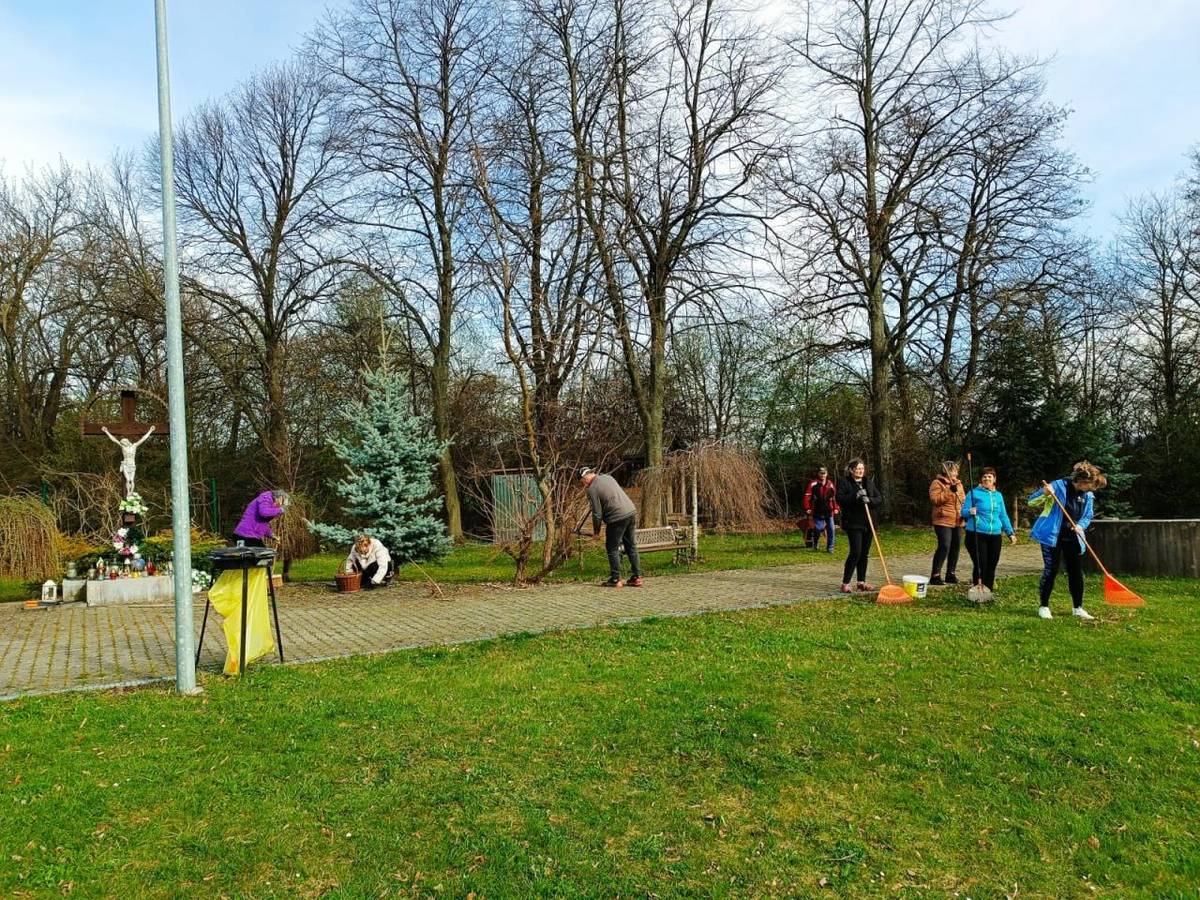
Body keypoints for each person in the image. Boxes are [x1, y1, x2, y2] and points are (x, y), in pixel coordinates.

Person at [1028, 461, 1106, 620]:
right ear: (1081, 481)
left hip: (1074, 537)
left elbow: (1087, 516)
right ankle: (1044, 606)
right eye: (1089, 486)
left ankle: (1078, 608)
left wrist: (1080, 525)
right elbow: (1031, 501)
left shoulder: (1088, 495)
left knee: (1076, 572)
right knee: (1052, 570)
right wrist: (1045, 492)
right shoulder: (1058, 486)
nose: (1091, 489)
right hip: (1052, 536)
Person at [578, 467, 643, 587]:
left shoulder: (592, 489)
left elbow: (597, 513)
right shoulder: (608, 477)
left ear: (585, 477)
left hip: (616, 518)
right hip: (630, 512)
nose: (583, 484)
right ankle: (637, 577)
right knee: (631, 546)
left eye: (582, 481)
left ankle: (615, 579)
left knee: (612, 548)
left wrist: (596, 532)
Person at [961, 467, 1016, 590]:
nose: (987, 478)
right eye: (984, 476)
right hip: (977, 534)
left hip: (995, 535)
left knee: (992, 565)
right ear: (981, 479)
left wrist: (1010, 532)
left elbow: (1003, 515)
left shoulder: (998, 496)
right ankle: (978, 591)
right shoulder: (973, 493)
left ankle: (988, 591)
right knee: (981, 564)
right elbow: (963, 512)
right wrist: (969, 511)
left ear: (994, 479)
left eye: (989, 476)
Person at [835, 458, 883, 593]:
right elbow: (840, 499)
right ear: (851, 470)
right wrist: (855, 495)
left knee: (864, 554)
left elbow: (879, 499)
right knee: (856, 552)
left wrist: (870, 500)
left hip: (869, 523)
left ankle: (861, 582)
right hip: (853, 523)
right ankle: (845, 583)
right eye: (857, 469)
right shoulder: (844, 482)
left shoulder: (868, 482)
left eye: (862, 469)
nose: (860, 471)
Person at [928, 461, 965, 586]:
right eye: (953, 471)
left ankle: (951, 574)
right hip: (943, 519)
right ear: (947, 472)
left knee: (956, 547)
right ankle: (935, 575)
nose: (955, 473)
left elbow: (963, 500)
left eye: (956, 471)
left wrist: (965, 512)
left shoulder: (959, 484)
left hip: (958, 520)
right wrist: (949, 490)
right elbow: (935, 500)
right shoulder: (937, 483)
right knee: (944, 546)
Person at [803, 466, 839, 553]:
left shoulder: (830, 484)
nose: (823, 475)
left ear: (827, 474)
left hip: (829, 510)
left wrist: (836, 507)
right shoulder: (813, 484)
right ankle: (815, 542)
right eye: (821, 473)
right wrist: (807, 508)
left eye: (824, 473)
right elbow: (807, 497)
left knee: (831, 528)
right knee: (818, 528)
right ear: (818, 474)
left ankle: (830, 548)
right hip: (817, 509)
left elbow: (835, 497)